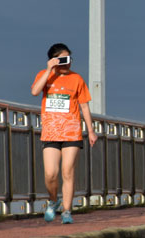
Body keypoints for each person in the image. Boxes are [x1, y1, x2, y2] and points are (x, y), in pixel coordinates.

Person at [31, 43, 97, 224]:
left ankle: (67, 211)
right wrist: (48, 70)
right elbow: (35, 91)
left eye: (68, 58)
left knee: (68, 171)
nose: (66, 63)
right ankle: (53, 201)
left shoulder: (77, 79)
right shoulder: (45, 76)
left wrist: (91, 131)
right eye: (61, 59)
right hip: (51, 133)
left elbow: (84, 106)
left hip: (72, 133)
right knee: (50, 173)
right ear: (53, 59)